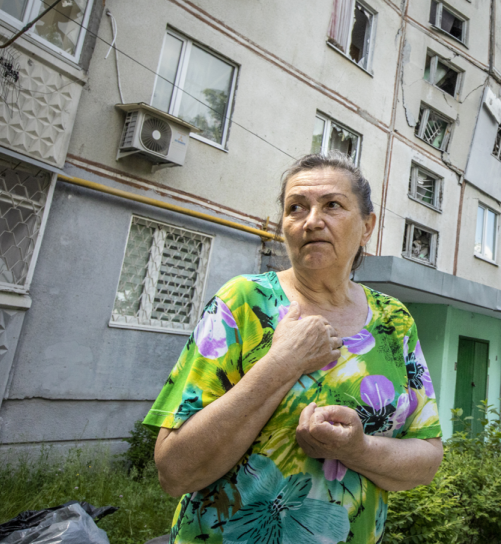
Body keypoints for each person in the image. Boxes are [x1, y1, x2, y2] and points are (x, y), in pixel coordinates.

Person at [142, 153, 443, 544]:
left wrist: (358, 449)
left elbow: (427, 460)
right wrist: (282, 363)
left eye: (332, 205)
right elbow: (175, 471)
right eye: (296, 207)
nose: (312, 220)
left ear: (367, 226)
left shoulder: (394, 320)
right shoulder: (243, 302)